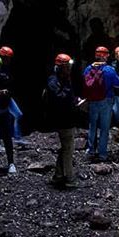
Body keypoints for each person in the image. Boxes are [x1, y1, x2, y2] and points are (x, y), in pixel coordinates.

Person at [46, 53, 79, 189]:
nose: (69, 69)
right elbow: (60, 98)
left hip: (67, 118)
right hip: (62, 119)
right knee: (68, 149)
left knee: (65, 148)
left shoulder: (63, 79)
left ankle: (58, 175)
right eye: (67, 66)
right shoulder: (54, 81)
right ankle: (69, 178)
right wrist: (71, 100)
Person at [83, 46, 119, 161]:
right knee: (104, 128)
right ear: (105, 57)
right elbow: (118, 84)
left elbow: (84, 84)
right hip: (106, 101)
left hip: (93, 101)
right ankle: (102, 153)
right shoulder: (109, 70)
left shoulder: (88, 69)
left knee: (92, 126)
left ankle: (90, 150)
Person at [0, 46, 17, 175]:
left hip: (4, 109)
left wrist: (6, 93)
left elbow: (12, 87)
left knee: (7, 138)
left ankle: (11, 163)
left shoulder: (8, 73)